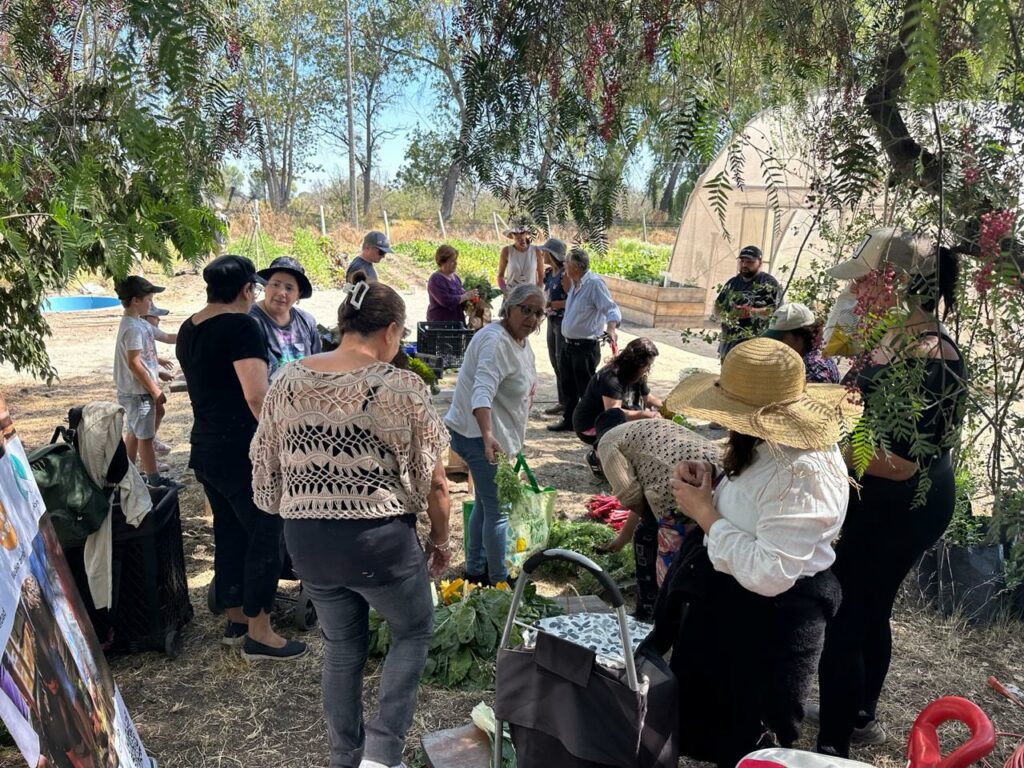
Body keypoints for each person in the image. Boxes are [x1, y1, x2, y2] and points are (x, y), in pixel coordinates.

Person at [251, 273, 451, 768]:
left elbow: (265, 461)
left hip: (307, 543)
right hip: (378, 541)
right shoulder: (401, 386)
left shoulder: (289, 380)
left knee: (342, 646)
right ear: (389, 332)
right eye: (400, 336)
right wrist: (442, 541)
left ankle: (346, 756)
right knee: (413, 630)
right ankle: (382, 755)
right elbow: (437, 483)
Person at [650, 337, 860, 768]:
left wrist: (706, 514)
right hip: (733, 612)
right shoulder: (769, 447)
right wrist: (713, 481)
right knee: (713, 725)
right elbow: (754, 499)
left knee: (752, 742)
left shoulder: (803, 473)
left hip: (770, 626)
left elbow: (770, 572)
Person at [814, 228, 967, 757]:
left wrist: (825, 438)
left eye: (863, 284)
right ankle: (859, 714)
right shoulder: (892, 336)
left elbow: (901, 464)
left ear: (897, 284)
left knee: (848, 614)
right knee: (869, 608)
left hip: (904, 504)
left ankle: (832, 746)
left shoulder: (934, 358)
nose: (854, 294)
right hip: (877, 494)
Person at [176, 255, 307, 660]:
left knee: (230, 532)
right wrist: (283, 438)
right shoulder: (241, 325)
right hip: (242, 451)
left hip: (206, 447)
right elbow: (256, 394)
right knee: (266, 532)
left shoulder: (189, 327)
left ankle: (236, 616)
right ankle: (260, 631)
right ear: (247, 290)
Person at [444, 284, 543, 585]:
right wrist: (488, 435)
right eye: (526, 309)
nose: (532, 318)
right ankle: (498, 580)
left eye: (538, 313)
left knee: (486, 504)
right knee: (498, 510)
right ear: (508, 308)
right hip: (479, 436)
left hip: (489, 434)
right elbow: (482, 390)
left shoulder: (519, 341)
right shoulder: (495, 342)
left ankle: (475, 569)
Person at [596, 418, 721, 621]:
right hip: (716, 473)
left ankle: (650, 612)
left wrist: (647, 525)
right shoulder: (643, 427)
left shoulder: (607, 443)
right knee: (704, 548)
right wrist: (621, 540)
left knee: (648, 538)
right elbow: (642, 497)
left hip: (680, 483)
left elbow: (629, 494)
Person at [548, 247, 621, 432]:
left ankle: (592, 424)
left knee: (586, 388)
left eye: (567, 263)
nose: (564, 265)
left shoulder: (594, 284)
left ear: (576, 266)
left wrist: (611, 329)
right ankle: (569, 421)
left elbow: (611, 308)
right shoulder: (576, 283)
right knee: (568, 386)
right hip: (568, 344)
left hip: (585, 346)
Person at [113, 276, 174, 488]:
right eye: (149, 299)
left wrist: (194, 329)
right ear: (135, 301)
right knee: (145, 438)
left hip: (137, 390)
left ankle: (128, 474)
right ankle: (154, 480)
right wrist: (155, 390)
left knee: (134, 432)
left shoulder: (140, 323)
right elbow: (134, 363)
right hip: (138, 392)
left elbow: (166, 337)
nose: (151, 303)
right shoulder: (132, 328)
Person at [572, 337, 663, 445]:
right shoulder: (611, 377)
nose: (648, 368)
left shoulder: (638, 374)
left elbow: (648, 398)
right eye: (646, 365)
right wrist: (647, 415)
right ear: (636, 363)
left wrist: (668, 408)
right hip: (591, 425)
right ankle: (597, 454)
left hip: (619, 418)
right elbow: (613, 413)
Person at [250, 255, 322, 379]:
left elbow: (318, 366)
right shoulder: (250, 322)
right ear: (266, 287)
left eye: (289, 288)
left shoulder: (307, 321)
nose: (282, 293)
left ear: (298, 295)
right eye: (276, 285)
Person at [714, 244, 781, 360]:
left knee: (747, 375)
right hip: (729, 343)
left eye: (749, 262)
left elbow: (777, 312)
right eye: (742, 261)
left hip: (755, 345)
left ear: (760, 263)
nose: (744, 265)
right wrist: (724, 318)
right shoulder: (732, 282)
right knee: (727, 374)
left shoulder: (769, 283)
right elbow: (717, 305)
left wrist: (752, 311)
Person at [762, 302, 840, 384]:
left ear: (801, 336)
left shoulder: (814, 371)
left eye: (780, 339)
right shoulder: (806, 356)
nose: (774, 344)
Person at [141, 304, 177, 459]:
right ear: (145, 317)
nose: (158, 320)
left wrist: (159, 371)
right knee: (141, 430)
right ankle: (148, 465)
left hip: (149, 381)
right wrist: (154, 389)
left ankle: (150, 447)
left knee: (158, 412)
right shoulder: (138, 331)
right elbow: (134, 361)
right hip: (142, 386)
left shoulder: (146, 331)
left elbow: (147, 357)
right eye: (156, 317)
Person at [538, 237, 568, 416]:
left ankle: (568, 402)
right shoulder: (549, 273)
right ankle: (561, 401)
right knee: (554, 361)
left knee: (562, 360)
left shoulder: (566, 274)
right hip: (551, 321)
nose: (542, 254)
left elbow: (572, 300)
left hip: (563, 322)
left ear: (552, 254)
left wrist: (552, 305)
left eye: (545, 252)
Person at [426, 244, 478, 323]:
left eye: (456, 260)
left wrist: (471, 296)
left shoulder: (455, 278)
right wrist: (466, 296)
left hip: (457, 321)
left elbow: (460, 294)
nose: (456, 263)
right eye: (452, 261)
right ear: (442, 262)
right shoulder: (436, 280)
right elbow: (446, 301)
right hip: (442, 324)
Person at [497, 216, 543, 292]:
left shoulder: (536, 250)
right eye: (515, 233)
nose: (519, 236)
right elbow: (500, 276)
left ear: (526, 234)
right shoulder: (506, 251)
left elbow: (541, 277)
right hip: (511, 295)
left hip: (530, 295)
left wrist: (537, 293)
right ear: (512, 235)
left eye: (522, 233)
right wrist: (505, 292)